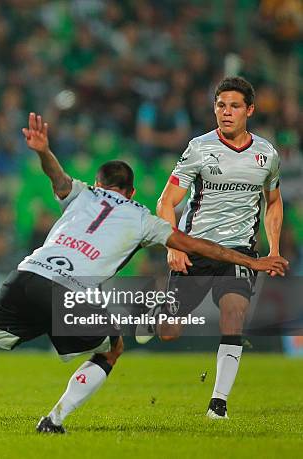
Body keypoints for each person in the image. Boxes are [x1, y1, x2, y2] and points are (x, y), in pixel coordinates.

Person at [0, 112, 288, 433]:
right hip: (69, 292)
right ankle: (53, 419)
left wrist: (41, 150)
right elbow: (197, 245)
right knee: (112, 349)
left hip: (28, 273)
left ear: (99, 182)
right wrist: (252, 261)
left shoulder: (82, 194)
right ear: (130, 191)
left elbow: (56, 177)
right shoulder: (143, 217)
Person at [136, 76, 284, 420]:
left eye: (234, 106)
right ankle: (157, 312)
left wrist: (273, 249)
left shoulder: (266, 154)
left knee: (234, 316)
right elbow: (165, 201)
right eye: (220, 105)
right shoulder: (199, 148)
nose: (226, 112)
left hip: (239, 251)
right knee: (170, 332)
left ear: (250, 110)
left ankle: (218, 404)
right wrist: (173, 245)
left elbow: (273, 202)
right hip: (196, 249)